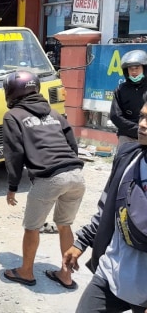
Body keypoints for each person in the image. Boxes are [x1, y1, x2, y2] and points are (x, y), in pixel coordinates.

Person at [63, 92, 147, 312]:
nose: (143, 125)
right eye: (141, 117)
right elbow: (107, 207)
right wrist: (82, 241)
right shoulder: (129, 157)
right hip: (110, 273)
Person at [1, 71, 85, 288]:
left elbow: (14, 154)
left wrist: (12, 187)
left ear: (12, 91)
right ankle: (66, 275)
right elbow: (72, 145)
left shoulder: (13, 116)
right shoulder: (55, 114)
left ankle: (26, 272)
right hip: (76, 175)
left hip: (49, 178)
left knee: (32, 228)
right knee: (65, 225)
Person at [110, 50, 147, 147]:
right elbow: (115, 116)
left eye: (137, 68)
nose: (134, 71)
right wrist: (136, 129)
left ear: (144, 68)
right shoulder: (120, 89)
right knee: (123, 160)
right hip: (127, 135)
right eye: (130, 69)